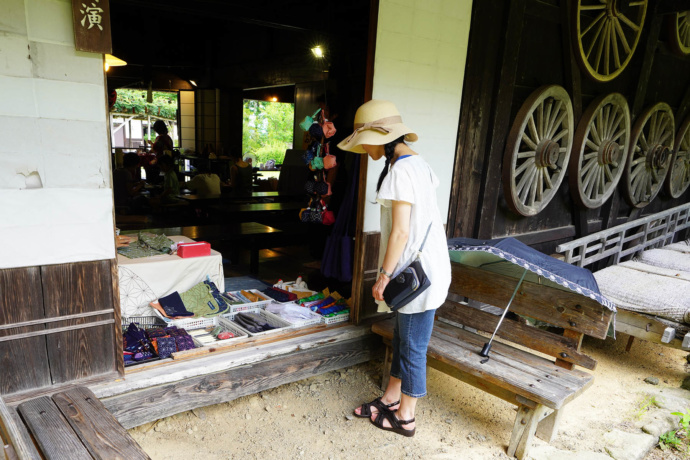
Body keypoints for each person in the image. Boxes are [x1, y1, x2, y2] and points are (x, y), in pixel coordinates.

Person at [338, 100, 451, 438]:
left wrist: (382, 277)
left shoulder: (401, 170)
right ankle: (390, 397)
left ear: (380, 137)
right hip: (425, 269)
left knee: (413, 345)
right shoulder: (416, 163)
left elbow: (401, 231)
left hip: (417, 276)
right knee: (404, 338)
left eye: (365, 140)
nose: (363, 148)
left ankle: (406, 417)